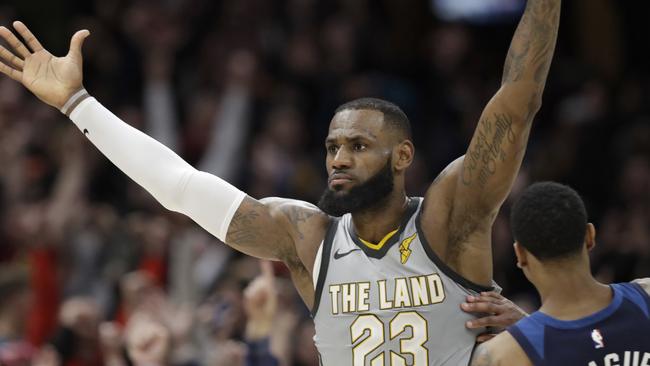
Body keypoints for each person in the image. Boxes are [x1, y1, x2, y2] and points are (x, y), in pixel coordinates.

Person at [0, 0, 560, 362]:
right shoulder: (306, 237)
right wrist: (77, 103)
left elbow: (516, 103)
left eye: (359, 146)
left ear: (402, 156)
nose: (339, 159)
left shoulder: (447, 219)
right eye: (332, 147)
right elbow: (180, 185)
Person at [469, 182, 650, 366]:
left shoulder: (502, 355)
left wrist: (529, 330)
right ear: (589, 236)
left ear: (521, 255)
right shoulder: (645, 296)